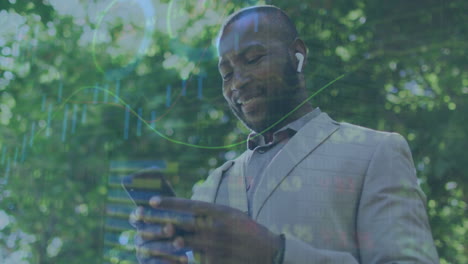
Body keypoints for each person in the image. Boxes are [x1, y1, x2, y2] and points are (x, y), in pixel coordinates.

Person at [131, 5, 439, 264]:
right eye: (226, 73)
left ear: (297, 55)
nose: (237, 82)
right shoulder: (210, 187)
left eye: (253, 59)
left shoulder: (375, 152)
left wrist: (277, 253)